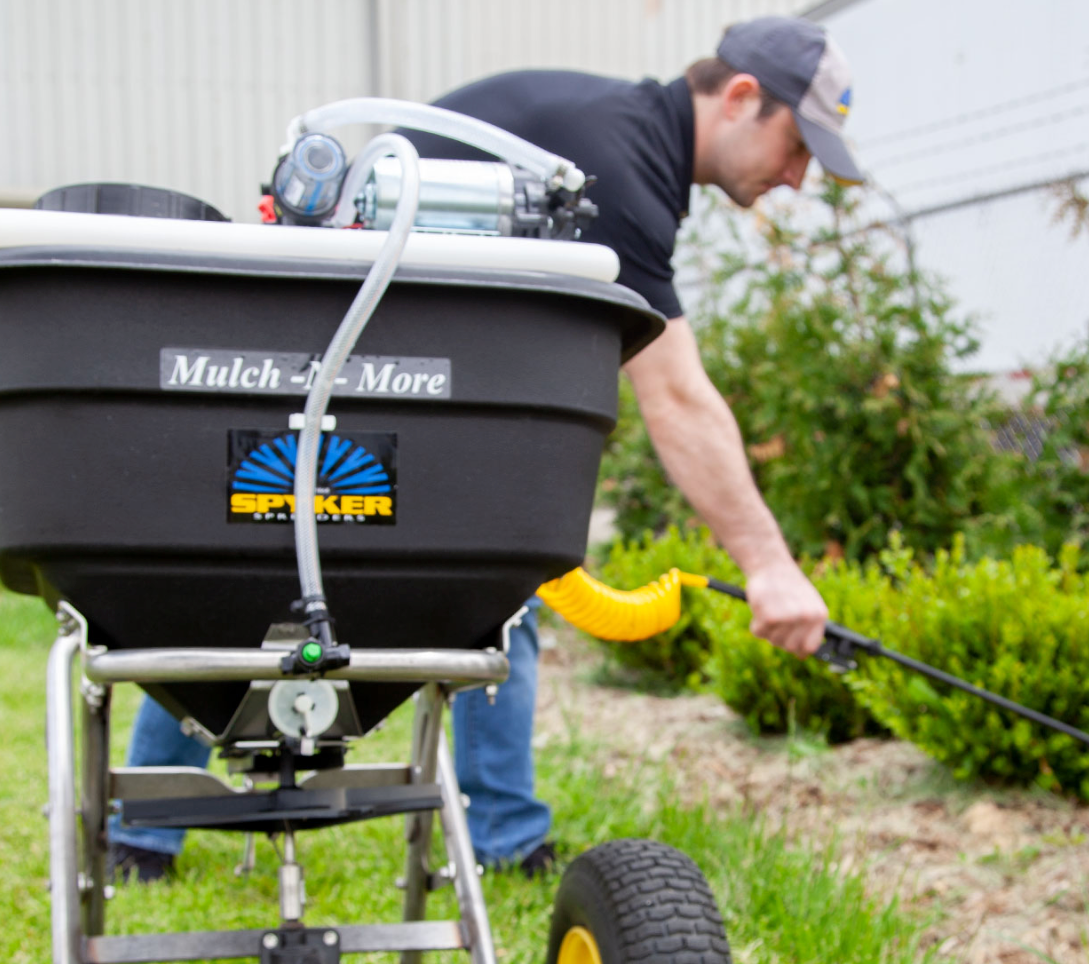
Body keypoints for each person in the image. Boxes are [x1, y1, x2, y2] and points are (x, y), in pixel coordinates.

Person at [109, 15, 859, 883]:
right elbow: (678, 396)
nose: (799, 177)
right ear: (739, 98)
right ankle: (151, 828)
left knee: (493, 575)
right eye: (800, 145)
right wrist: (767, 565)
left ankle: (495, 835)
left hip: (410, 371)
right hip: (335, 356)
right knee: (260, 567)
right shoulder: (616, 164)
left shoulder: (614, 138)